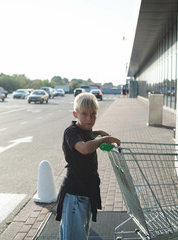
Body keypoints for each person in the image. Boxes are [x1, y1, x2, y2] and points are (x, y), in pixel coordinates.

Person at [56, 92, 121, 240]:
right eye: (84, 114)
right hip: (74, 194)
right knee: (73, 236)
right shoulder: (70, 132)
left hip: (85, 193)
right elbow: (84, 148)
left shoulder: (86, 131)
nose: (89, 118)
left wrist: (98, 133)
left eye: (93, 114)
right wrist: (104, 139)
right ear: (75, 114)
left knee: (80, 234)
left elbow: (87, 133)